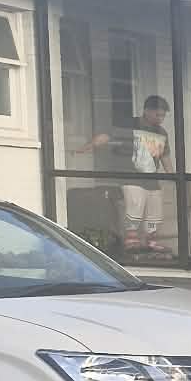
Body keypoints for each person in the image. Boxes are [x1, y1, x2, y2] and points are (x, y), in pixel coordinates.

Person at [74, 95, 172, 259]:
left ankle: (150, 240)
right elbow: (107, 136)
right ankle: (131, 240)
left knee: (155, 210)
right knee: (135, 205)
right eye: (158, 115)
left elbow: (165, 156)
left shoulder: (161, 132)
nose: (160, 119)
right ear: (147, 111)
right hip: (131, 176)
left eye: (163, 116)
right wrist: (88, 147)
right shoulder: (129, 125)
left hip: (152, 178)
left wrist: (173, 176)